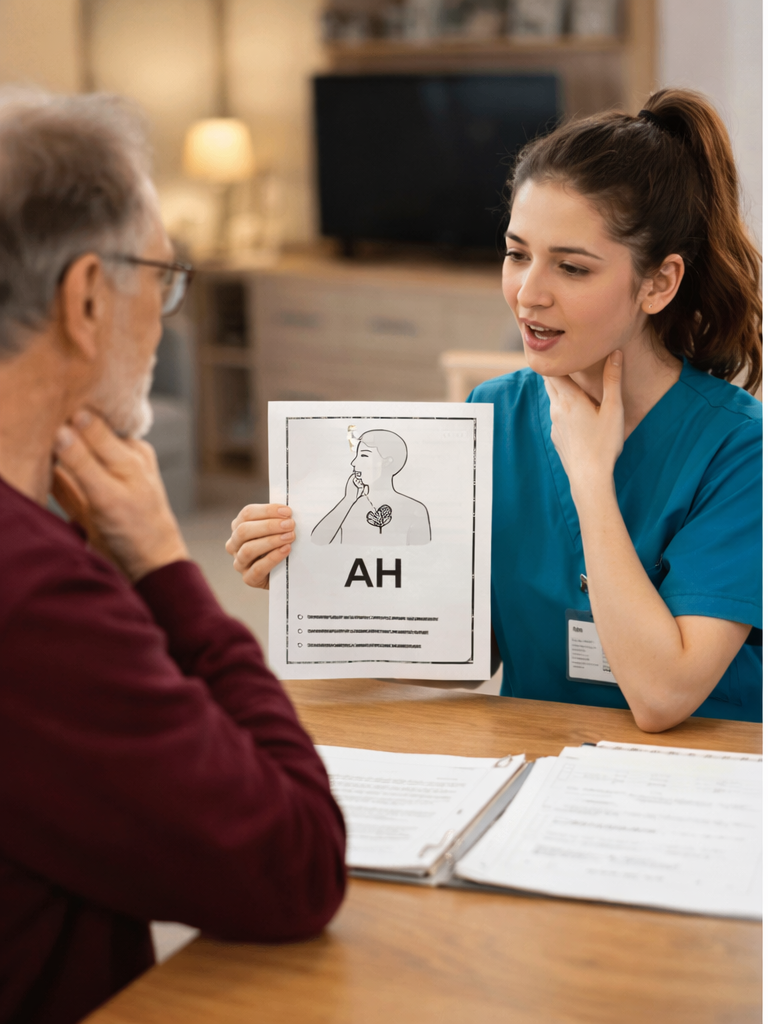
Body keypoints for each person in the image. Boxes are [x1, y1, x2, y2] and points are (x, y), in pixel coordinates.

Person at [228, 88, 761, 732]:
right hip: (535, 760)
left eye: (571, 267)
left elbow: (662, 696)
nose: (528, 294)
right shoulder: (491, 413)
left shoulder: (739, 449)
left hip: (694, 780)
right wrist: (306, 583)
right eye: (516, 254)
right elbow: (468, 649)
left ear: (658, 283)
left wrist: (591, 478)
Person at [0, 89, 345, 1024]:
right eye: (162, 275)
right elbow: (298, 864)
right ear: (83, 298)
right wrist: (164, 564)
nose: (165, 312)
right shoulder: (34, 594)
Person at [311, 429, 431, 545]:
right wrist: (348, 500)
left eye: (363, 456)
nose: (353, 463)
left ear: (387, 462)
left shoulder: (414, 509)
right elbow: (317, 541)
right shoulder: (349, 506)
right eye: (356, 455)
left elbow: (424, 558)